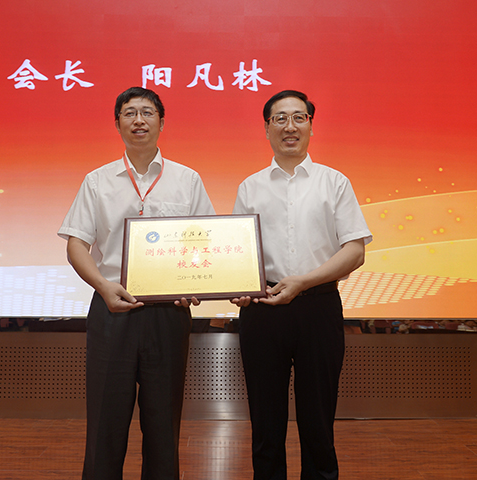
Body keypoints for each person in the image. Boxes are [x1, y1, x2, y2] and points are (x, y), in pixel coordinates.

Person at [58, 87, 215, 480]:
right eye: (130, 113)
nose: (139, 120)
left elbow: (205, 243)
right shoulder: (97, 181)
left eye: (147, 112)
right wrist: (102, 286)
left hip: (169, 312)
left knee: (164, 423)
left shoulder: (187, 179)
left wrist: (198, 281)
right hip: (112, 308)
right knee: (105, 422)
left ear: (162, 122)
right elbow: (76, 244)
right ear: (118, 124)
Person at [232, 90, 372, 480]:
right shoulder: (250, 187)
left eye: (298, 117)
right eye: (280, 119)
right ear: (267, 129)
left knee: (318, 421)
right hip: (262, 310)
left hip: (318, 307)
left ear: (311, 125)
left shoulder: (334, 183)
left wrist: (303, 282)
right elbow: (239, 253)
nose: (289, 126)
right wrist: (239, 285)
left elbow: (355, 251)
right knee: (265, 422)